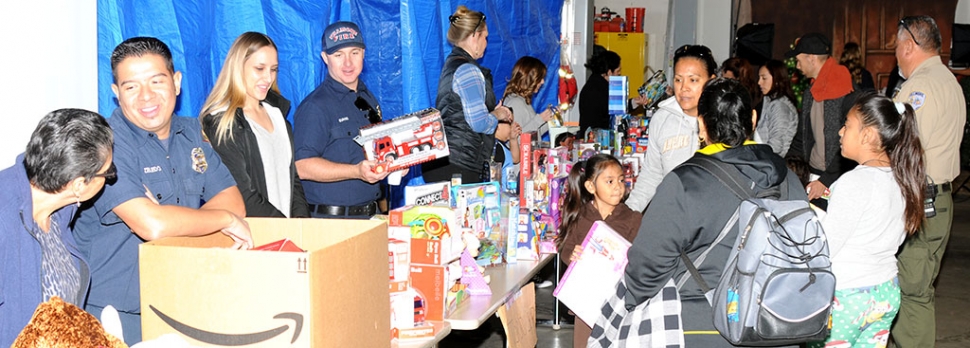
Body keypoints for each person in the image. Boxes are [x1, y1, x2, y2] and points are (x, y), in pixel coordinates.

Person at [73, 37, 253, 345]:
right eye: (131, 87)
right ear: (117, 94)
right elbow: (150, 224)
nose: (146, 97)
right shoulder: (105, 145)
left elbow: (234, 202)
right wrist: (219, 220)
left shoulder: (192, 133)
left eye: (157, 81)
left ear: (177, 82)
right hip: (113, 314)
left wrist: (178, 219)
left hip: (178, 297)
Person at [623, 78, 807, 347]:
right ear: (753, 120)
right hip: (775, 323)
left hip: (703, 327)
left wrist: (633, 301)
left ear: (701, 124)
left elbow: (647, 267)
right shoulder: (788, 179)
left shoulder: (684, 183)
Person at [809, 94, 925, 347]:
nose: (840, 132)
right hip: (885, 291)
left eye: (847, 125)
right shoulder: (903, 177)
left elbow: (826, 247)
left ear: (868, 135)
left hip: (847, 295)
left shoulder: (855, 182)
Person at [0, 109, 114, 347]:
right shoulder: (5, 219)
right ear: (79, 185)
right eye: (108, 173)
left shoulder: (60, 210)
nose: (112, 178)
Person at [890, 15, 967, 348]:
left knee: (912, 295)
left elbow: (902, 146)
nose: (895, 55)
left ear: (909, 46)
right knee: (921, 288)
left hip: (920, 201)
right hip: (939, 199)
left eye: (896, 48)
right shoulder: (949, 80)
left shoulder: (919, 87)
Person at [200, 32, 309, 218]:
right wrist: (286, 231)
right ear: (237, 68)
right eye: (259, 68)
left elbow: (293, 181)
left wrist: (301, 228)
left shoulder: (277, 115)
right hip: (251, 236)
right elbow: (242, 193)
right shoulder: (221, 121)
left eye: (273, 69)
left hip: (287, 236)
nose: (268, 78)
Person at [293, 21, 396, 218]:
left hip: (370, 215)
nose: (348, 63)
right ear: (325, 58)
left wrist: (394, 162)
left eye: (354, 53)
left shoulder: (367, 98)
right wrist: (356, 171)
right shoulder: (315, 107)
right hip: (333, 222)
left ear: (364, 54)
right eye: (338, 55)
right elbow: (302, 166)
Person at [556, 153, 642, 348]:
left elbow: (637, 256)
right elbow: (566, 249)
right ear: (590, 186)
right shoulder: (580, 216)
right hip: (585, 299)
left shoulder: (632, 218)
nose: (618, 186)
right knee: (583, 343)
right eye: (609, 181)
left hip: (617, 298)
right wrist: (573, 255)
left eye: (621, 180)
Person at [421, 6, 514, 184]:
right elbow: (479, 123)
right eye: (485, 37)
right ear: (474, 36)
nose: (486, 43)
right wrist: (498, 114)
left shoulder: (453, 64)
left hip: (446, 160)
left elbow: (460, 111)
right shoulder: (468, 71)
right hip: (459, 163)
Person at [625, 44, 718, 213]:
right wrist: (627, 214)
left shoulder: (727, 117)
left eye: (693, 80)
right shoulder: (662, 119)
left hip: (715, 220)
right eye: (678, 79)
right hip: (674, 216)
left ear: (711, 81)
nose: (684, 88)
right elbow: (652, 174)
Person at [785, 32, 859, 210]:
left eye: (799, 60)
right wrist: (783, 166)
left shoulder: (847, 91)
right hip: (813, 176)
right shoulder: (811, 92)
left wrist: (825, 180)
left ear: (811, 58)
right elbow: (802, 138)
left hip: (837, 179)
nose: (797, 65)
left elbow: (852, 144)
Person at [577, 50, 649, 138]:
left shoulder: (596, 83)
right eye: (618, 71)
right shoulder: (599, 89)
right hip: (598, 139)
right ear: (609, 72)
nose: (619, 74)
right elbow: (614, 109)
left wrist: (634, 101)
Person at [757, 59, 799, 157]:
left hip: (773, 163)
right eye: (759, 78)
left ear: (776, 79)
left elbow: (776, 145)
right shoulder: (769, 101)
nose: (759, 82)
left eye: (764, 78)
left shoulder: (780, 106)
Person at [502, 56, 554, 133]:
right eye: (540, 78)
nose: (542, 82)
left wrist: (550, 120)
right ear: (529, 79)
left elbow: (534, 133)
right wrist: (540, 119)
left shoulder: (522, 101)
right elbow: (516, 139)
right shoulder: (515, 103)